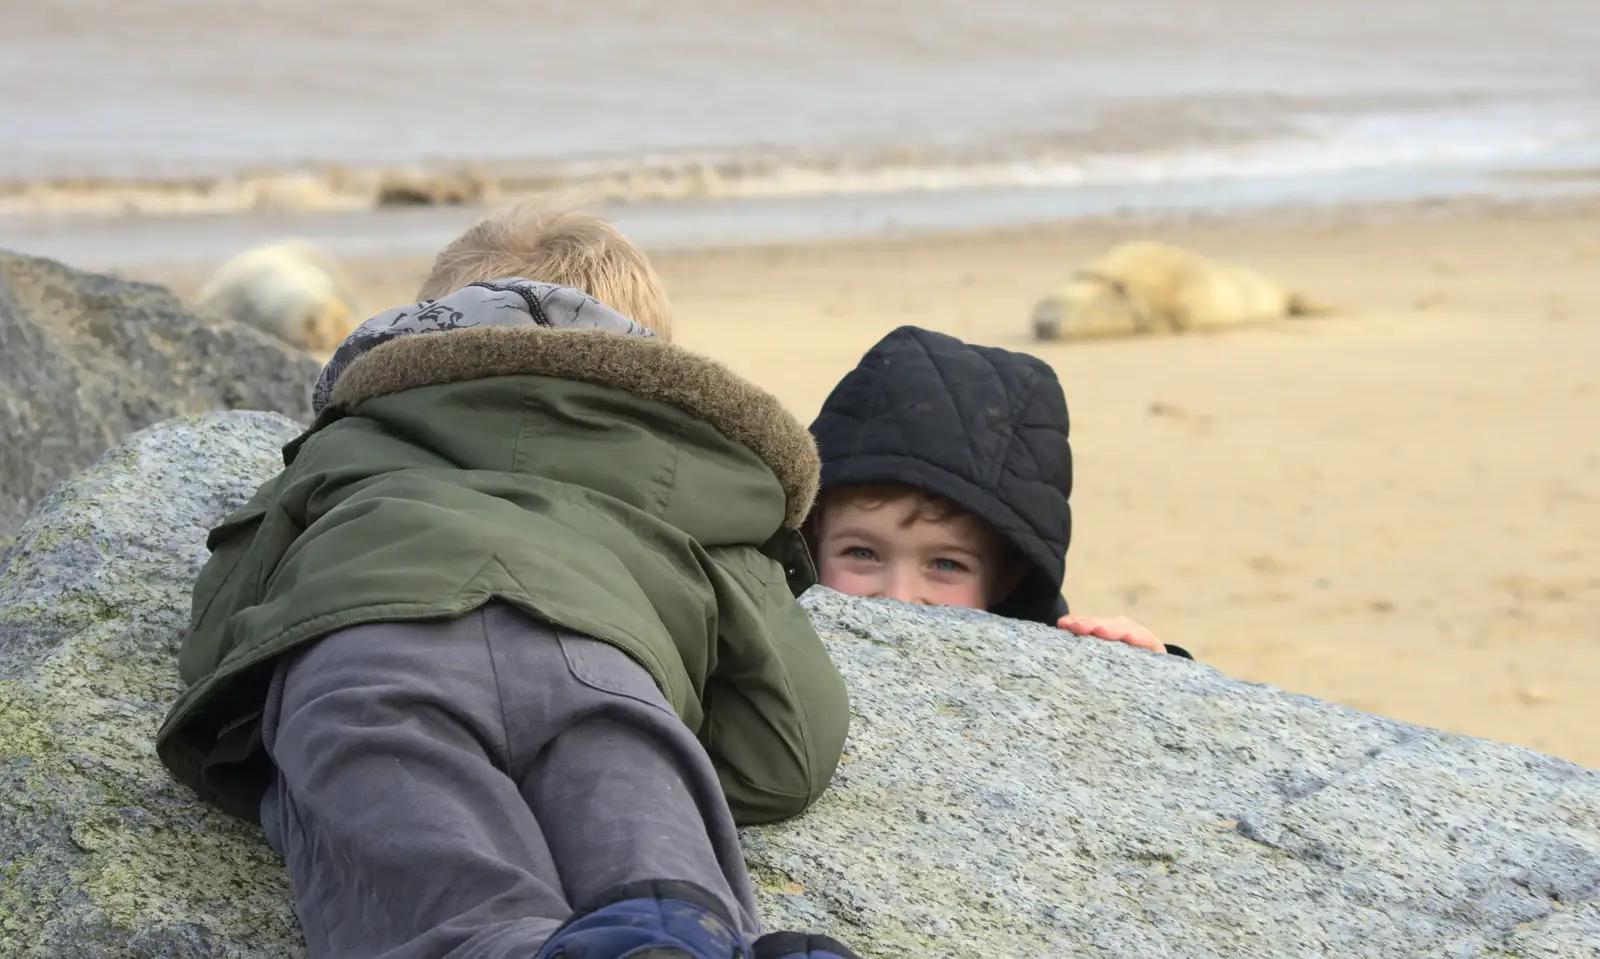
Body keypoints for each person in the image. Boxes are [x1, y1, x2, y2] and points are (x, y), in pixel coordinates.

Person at [156, 204, 862, 959]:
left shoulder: (356, 439)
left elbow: (219, 629)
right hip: (605, 669)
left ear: (427, 331)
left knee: (451, 901)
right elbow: (790, 744)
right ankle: (690, 928)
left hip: (373, 656)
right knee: (662, 880)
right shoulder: (696, 483)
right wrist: (679, 714)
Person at [806, 324, 1192, 659]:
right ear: (811, 544)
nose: (898, 598)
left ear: (1007, 577)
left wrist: (1155, 668)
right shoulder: (764, 645)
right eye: (862, 553)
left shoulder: (1046, 674)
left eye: (945, 564)